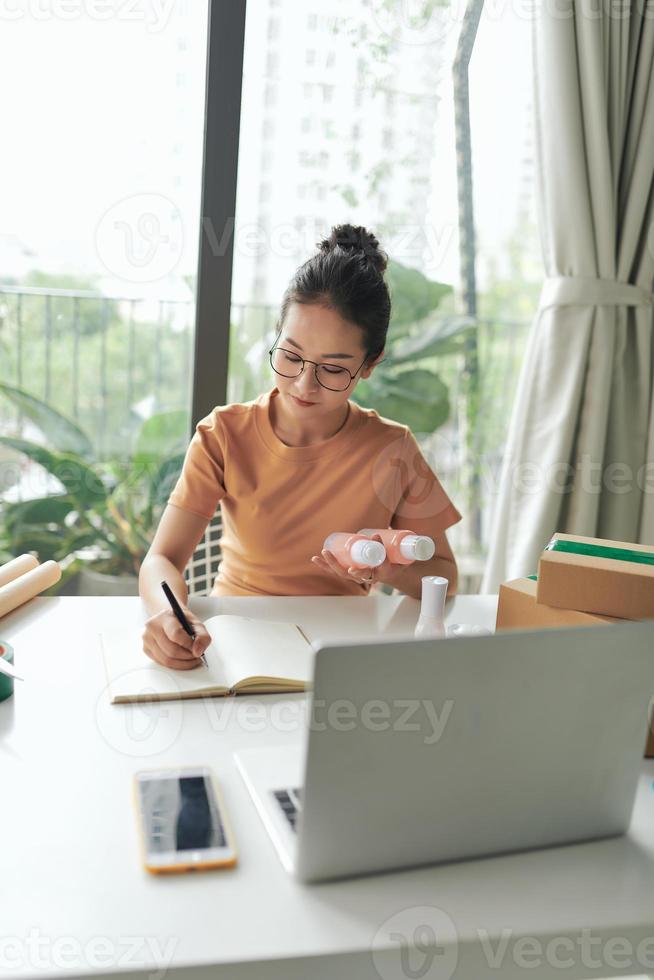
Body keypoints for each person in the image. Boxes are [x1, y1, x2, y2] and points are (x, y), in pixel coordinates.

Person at [139, 224, 462, 670]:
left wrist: (387, 569)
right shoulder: (224, 434)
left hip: (341, 649)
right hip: (235, 640)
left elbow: (444, 574)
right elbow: (162, 559)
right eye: (290, 356)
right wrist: (167, 614)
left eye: (333, 369)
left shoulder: (394, 449)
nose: (303, 384)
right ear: (276, 337)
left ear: (370, 365)